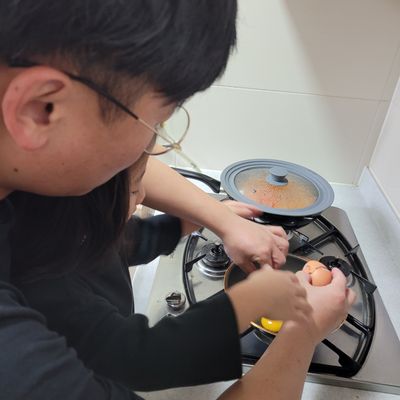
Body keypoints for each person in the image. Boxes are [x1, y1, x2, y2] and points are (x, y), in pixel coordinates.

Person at [0, 1, 354, 399]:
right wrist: (303, 328)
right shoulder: (19, 353)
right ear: (40, 108)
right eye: (155, 121)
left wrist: (212, 219)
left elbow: (118, 230)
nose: (154, 148)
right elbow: (135, 356)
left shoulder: (33, 191)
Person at [9, 152, 304, 391]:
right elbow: (139, 358)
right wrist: (254, 299)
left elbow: (133, 240)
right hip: (95, 379)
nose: (143, 197)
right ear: (88, 198)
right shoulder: (47, 285)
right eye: (135, 188)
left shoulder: (73, 226)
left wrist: (202, 219)